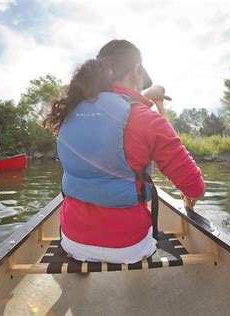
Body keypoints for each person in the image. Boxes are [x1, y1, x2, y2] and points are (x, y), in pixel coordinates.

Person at [45, 39, 205, 264]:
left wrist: (149, 95)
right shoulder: (149, 121)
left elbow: (115, 106)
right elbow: (195, 187)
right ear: (136, 71)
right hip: (128, 247)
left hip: (73, 241)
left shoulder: (70, 112)